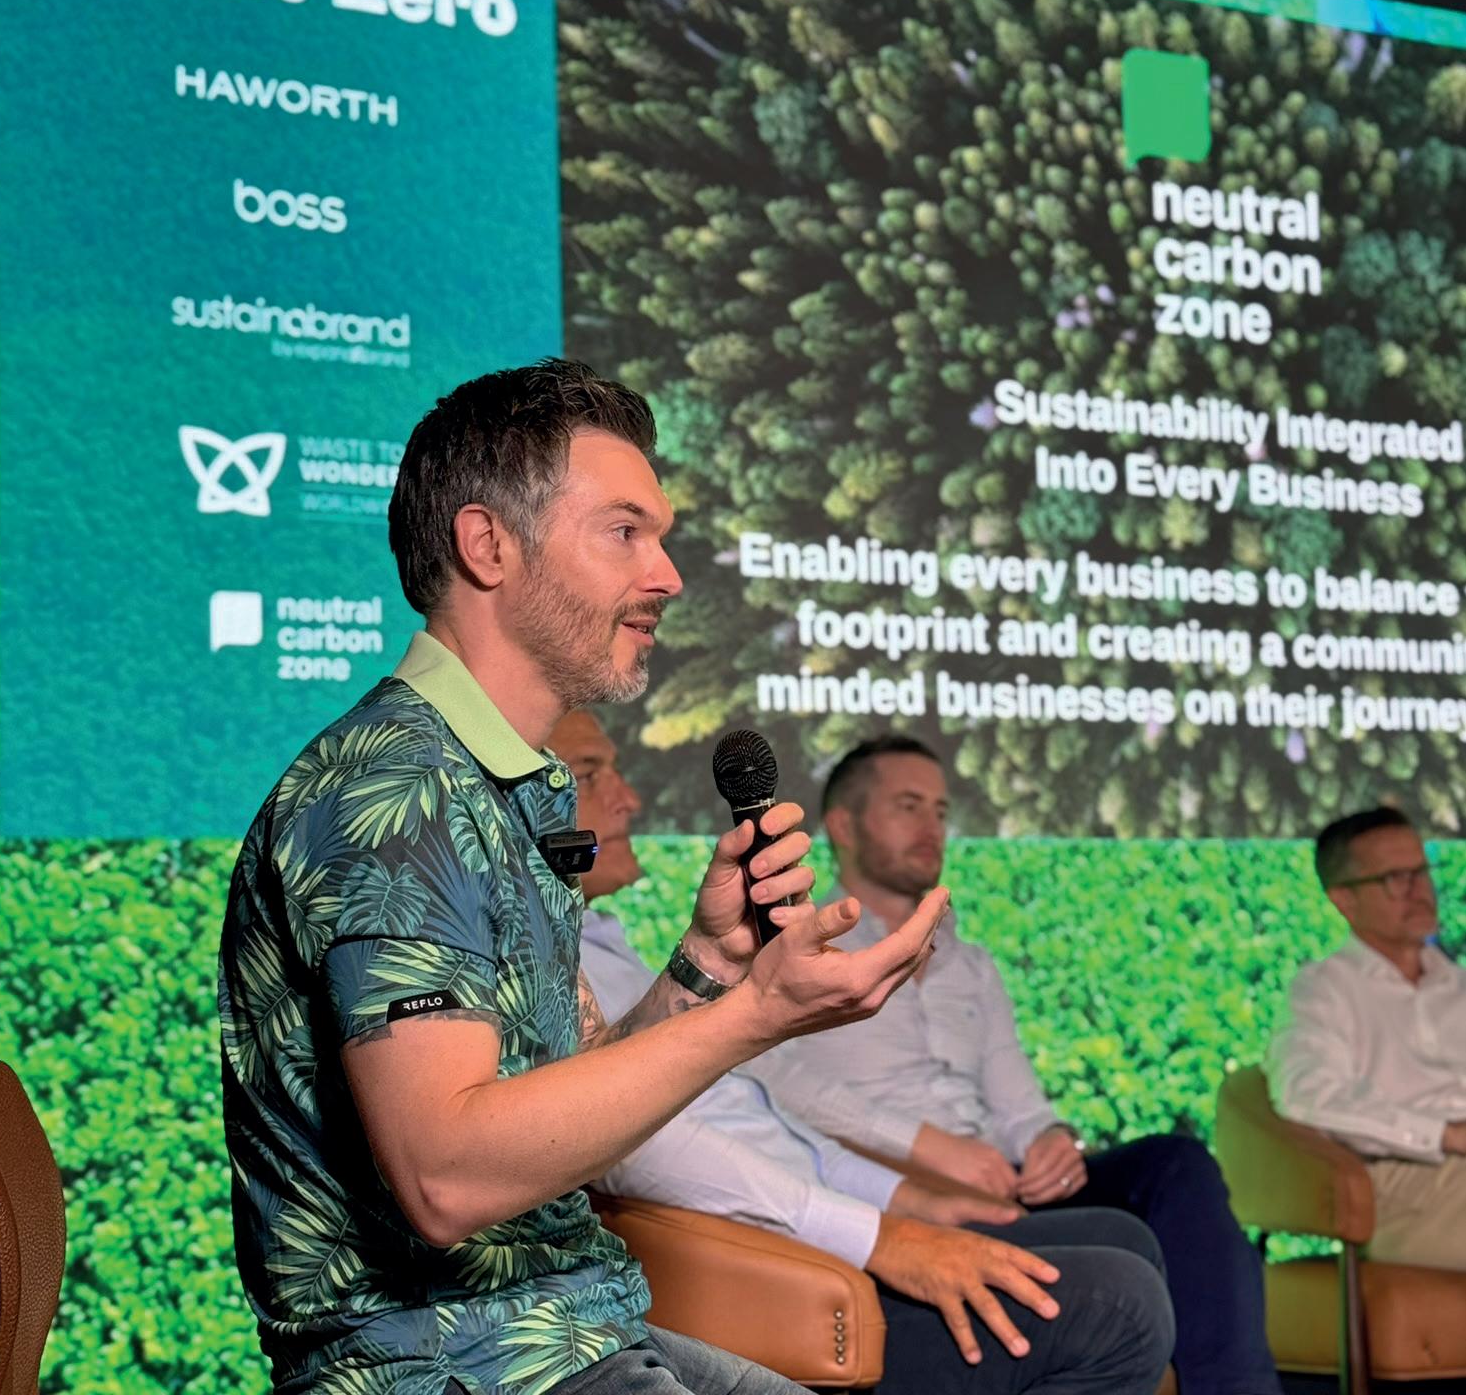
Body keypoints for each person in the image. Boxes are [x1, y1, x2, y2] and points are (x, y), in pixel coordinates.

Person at [218, 360, 954, 1395]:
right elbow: (445, 1174)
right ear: (487, 545)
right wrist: (755, 1019)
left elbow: (549, 1102)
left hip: (563, 1329)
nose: (667, 576)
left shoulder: (500, 782)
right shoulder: (395, 791)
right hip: (447, 1364)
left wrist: (705, 971)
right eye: (623, 532)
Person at [550, 709, 1176, 1394]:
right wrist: (882, 1229)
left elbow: (765, 1125)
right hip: (781, 1272)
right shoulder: (559, 960)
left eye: (940, 810)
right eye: (589, 774)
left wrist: (907, 1199)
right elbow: (631, 1138)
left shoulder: (609, 946)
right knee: (1120, 1302)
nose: (629, 798)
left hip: (841, 1218)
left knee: (1127, 1234)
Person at [749, 736, 1281, 1395]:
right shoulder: (795, 947)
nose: (931, 828)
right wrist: (924, 1146)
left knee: (1175, 1164)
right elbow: (767, 1080)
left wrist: (1051, 1140)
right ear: (843, 825)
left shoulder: (971, 964)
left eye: (940, 811)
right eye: (908, 807)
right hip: (891, 1191)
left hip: (1002, 1183)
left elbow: (1018, 1103)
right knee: (1119, 1253)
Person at [1267, 806, 1466, 1271]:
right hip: (1408, 1180)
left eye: (1422, 871)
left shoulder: (1457, 986)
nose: (1420, 891)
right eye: (1395, 879)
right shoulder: (1322, 990)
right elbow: (1307, 1094)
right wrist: (1445, 1135)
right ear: (1344, 899)